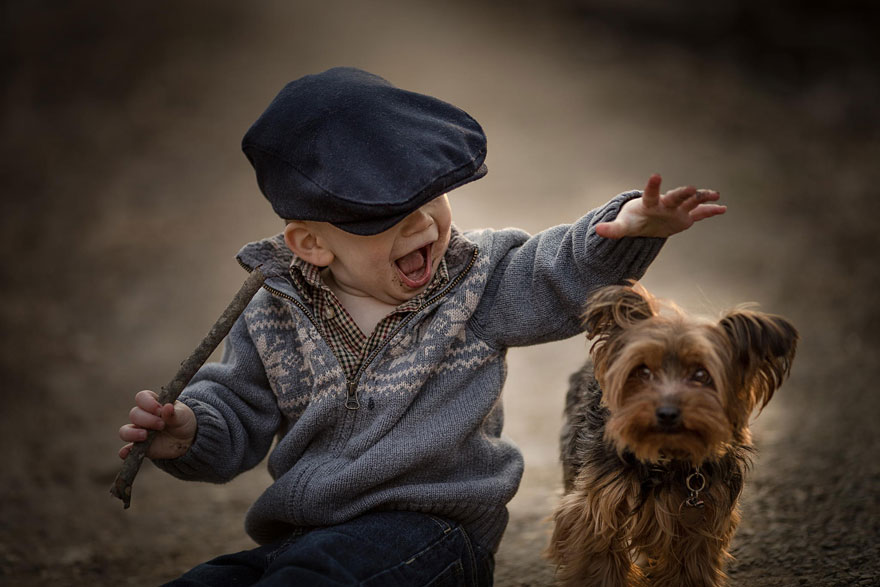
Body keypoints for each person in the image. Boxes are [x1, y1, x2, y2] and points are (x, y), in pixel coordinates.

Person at [117, 67, 725, 586]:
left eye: (430, 197)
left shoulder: (476, 283)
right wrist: (191, 431)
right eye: (386, 216)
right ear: (312, 244)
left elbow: (554, 272)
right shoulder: (272, 311)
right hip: (304, 535)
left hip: (432, 536)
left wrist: (624, 231)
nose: (424, 225)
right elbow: (239, 408)